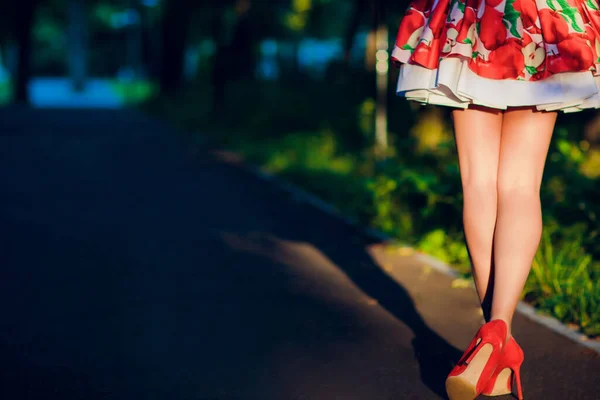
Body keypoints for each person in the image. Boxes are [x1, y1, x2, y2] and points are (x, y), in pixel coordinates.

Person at [391, 1, 600, 399]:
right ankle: (497, 341)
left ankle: (492, 344)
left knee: (479, 183)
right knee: (521, 185)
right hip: (540, 16)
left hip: (473, 18)